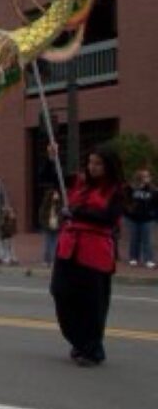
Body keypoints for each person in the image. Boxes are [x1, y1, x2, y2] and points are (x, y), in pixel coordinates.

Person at [51, 145, 124, 367]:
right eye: (91, 162)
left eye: (98, 163)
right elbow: (53, 179)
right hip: (69, 247)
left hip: (94, 252)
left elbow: (107, 217)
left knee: (92, 304)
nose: (92, 167)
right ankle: (78, 340)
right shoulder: (79, 182)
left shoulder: (117, 190)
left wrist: (76, 212)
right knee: (60, 293)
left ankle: (92, 348)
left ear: (108, 166)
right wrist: (51, 158)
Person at [125, 168, 155, 269]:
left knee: (147, 240)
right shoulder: (131, 188)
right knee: (134, 238)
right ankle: (133, 258)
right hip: (133, 218)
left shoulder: (153, 190)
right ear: (139, 177)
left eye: (148, 176)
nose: (146, 178)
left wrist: (153, 214)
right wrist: (128, 211)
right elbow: (126, 200)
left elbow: (156, 204)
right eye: (144, 176)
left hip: (147, 219)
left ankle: (148, 259)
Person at [39, 188, 62, 267]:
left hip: (56, 226)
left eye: (57, 194)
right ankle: (46, 260)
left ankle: (53, 260)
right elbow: (41, 215)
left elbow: (61, 215)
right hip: (48, 226)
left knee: (55, 244)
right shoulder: (46, 206)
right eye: (55, 194)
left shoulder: (59, 205)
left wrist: (60, 224)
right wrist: (45, 224)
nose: (56, 196)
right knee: (47, 244)